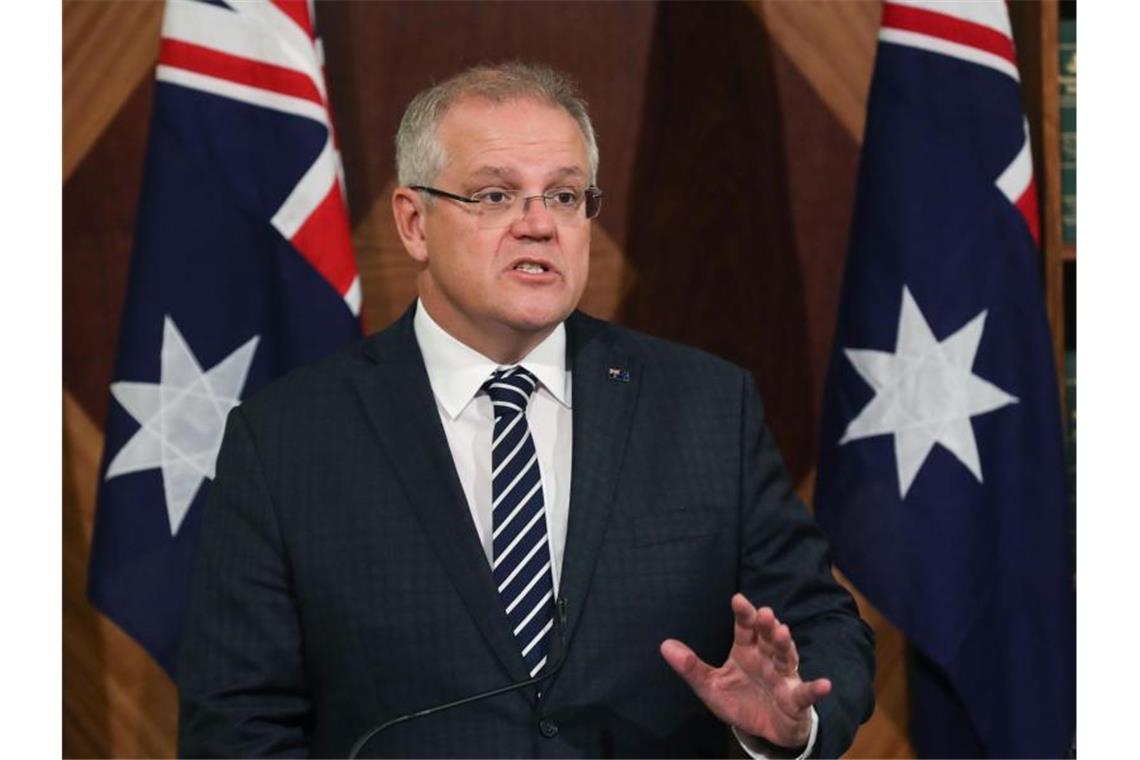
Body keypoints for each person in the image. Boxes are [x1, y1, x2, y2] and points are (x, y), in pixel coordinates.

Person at [178, 62, 874, 758]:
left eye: (565, 196)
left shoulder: (705, 407)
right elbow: (240, 722)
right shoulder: (287, 439)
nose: (539, 224)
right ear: (414, 222)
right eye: (494, 195)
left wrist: (792, 722)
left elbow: (819, 621)